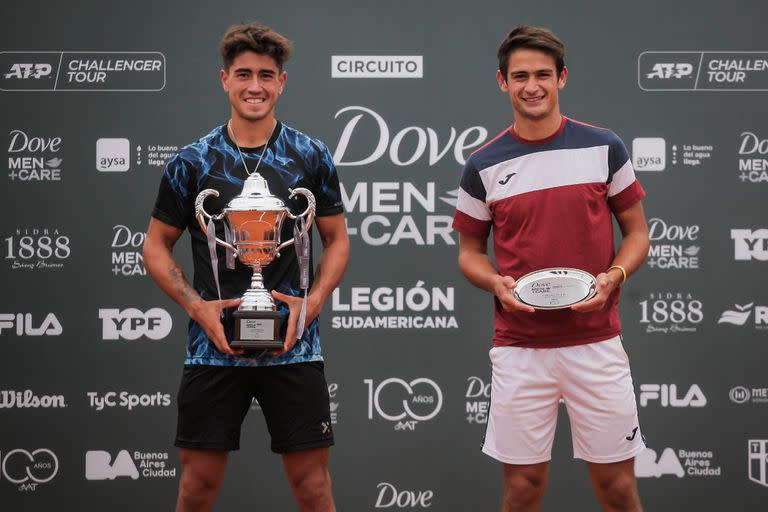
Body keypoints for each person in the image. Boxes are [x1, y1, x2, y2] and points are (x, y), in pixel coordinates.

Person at [142, 22, 349, 512]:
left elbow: (337, 240)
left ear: (281, 82)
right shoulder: (192, 162)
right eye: (243, 74)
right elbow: (154, 246)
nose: (254, 86)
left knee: (313, 488)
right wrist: (198, 308)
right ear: (224, 80)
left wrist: (311, 305)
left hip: (295, 347)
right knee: (196, 490)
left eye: (265, 75)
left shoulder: (310, 154)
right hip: (212, 349)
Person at [452, 26, 650, 512]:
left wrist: (614, 277)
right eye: (520, 76)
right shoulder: (482, 165)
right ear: (503, 82)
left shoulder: (605, 147)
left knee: (620, 491)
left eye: (543, 74)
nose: (532, 86)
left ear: (562, 78)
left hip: (596, 342)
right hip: (520, 349)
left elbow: (638, 234)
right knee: (522, 492)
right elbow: (470, 253)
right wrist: (495, 282)